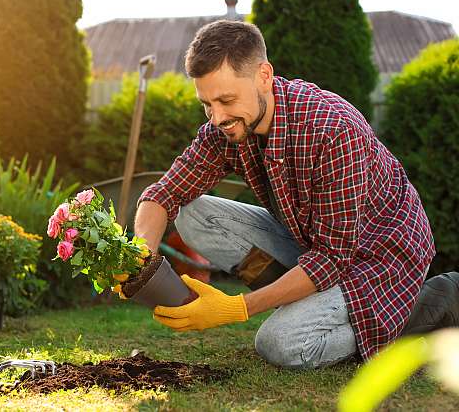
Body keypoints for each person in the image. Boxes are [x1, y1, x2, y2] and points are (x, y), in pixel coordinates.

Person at [131, 20, 459, 368]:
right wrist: (141, 255)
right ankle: (305, 302)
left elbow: (333, 257)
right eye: (207, 104)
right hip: (315, 244)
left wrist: (237, 308)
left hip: (380, 257)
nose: (216, 118)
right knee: (193, 213)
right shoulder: (227, 126)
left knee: (281, 344)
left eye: (226, 100)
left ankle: (430, 303)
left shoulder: (332, 130)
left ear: (264, 76)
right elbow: (164, 193)